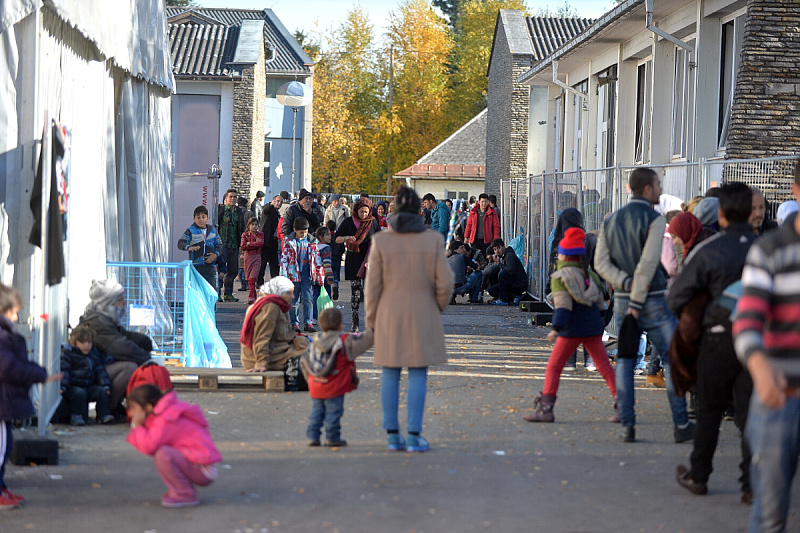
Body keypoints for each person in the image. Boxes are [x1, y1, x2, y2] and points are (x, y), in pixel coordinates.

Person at [667, 182, 755, 504]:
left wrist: (697, 316)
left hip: (716, 339)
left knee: (708, 411)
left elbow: (677, 297)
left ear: (720, 213)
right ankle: (751, 483)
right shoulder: (765, 248)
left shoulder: (710, 249)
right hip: (757, 341)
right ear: (752, 211)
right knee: (750, 415)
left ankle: (699, 476)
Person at [595, 167, 692, 443]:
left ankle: (628, 422)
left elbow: (601, 263)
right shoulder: (655, 220)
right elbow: (648, 264)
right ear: (647, 189)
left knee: (625, 360)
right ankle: (681, 423)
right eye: (658, 184)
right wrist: (637, 293)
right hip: (651, 300)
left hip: (625, 303)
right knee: (672, 358)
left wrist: (623, 284)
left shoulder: (611, 220)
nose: (661, 189)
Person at [733, 167, 800, 531]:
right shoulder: (771, 249)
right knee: (771, 513)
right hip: (781, 399)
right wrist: (759, 366)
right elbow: (746, 320)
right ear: (796, 192)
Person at [365, 186, 454, 453]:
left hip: (389, 312)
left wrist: (372, 319)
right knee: (418, 371)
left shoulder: (381, 240)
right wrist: (436, 306)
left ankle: (393, 434)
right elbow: (446, 281)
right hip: (422, 311)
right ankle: (414, 434)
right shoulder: (432, 240)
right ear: (419, 209)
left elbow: (373, 286)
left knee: (390, 371)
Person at [524, 227, 618, 423]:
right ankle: (623, 406)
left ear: (563, 256)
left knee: (554, 367)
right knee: (605, 368)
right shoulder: (590, 276)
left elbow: (563, 307)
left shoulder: (560, 278)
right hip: (593, 329)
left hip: (571, 331)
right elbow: (602, 303)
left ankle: (546, 409)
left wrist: (555, 329)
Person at [0, 284, 62, 509]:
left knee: (4, 448)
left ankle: (2, 487)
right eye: (13, 312)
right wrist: (38, 374)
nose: (16, 317)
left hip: (5, 402)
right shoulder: (3, 337)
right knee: (1, 449)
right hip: (3, 401)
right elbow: (8, 367)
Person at [126, 384, 221, 508]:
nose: (131, 413)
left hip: (204, 469)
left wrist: (137, 427)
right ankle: (181, 490)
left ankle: (185, 494)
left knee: (163, 454)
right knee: (162, 453)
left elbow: (149, 446)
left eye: (133, 408)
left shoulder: (165, 419)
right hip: (200, 464)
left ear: (148, 407)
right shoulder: (163, 414)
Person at [77, 280, 152, 414]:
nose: (124, 303)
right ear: (108, 304)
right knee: (130, 367)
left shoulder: (103, 317)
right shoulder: (98, 322)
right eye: (120, 300)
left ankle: (115, 405)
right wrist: (148, 360)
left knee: (137, 356)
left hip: (96, 366)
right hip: (86, 372)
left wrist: (144, 342)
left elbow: (123, 337)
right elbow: (122, 347)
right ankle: (109, 408)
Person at [303, 308, 374, 447]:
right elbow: (364, 342)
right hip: (336, 386)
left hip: (316, 385)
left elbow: (304, 363)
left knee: (316, 412)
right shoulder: (343, 342)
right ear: (341, 325)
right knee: (334, 412)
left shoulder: (314, 343)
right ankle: (332, 437)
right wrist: (374, 328)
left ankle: (313, 436)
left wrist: (309, 381)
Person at [239, 276, 309, 372]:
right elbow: (261, 336)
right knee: (315, 355)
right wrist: (261, 363)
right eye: (289, 293)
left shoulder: (277, 304)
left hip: (275, 351)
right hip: (263, 358)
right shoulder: (269, 307)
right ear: (279, 293)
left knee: (309, 345)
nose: (293, 296)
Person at [335, 197, 381, 332]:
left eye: (366, 212)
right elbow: (336, 239)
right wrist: (347, 238)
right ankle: (355, 323)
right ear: (356, 210)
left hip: (369, 261)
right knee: (355, 293)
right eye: (361, 212)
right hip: (354, 260)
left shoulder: (373, 223)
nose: (364, 215)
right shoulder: (348, 222)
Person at [60, 325, 114, 426]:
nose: (86, 345)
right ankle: (76, 415)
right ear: (74, 342)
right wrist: (63, 386)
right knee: (79, 393)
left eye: (89, 342)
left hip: (88, 386)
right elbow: (65, 371)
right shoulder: (69, 353)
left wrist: (105, 385)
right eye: (82, 342)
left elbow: (100, 371)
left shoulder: (93, 354)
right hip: (73, 386)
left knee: (101, 392)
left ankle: (104, 415)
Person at [281, 218, 325, 333]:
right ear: (295, 230)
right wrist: (284, 276)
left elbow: (317, 259)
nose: (303, 234)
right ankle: (294, 323)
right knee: (294, 301)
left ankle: (308, 322)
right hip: (293, 276)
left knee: (308, 299)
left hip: (307, 275)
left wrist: (320, 275)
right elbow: (284, 260)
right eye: (301, 232)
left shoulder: (312, 242)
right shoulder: (289, 242)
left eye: (305, 232)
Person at [177, 205, 219, 290]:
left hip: (210, 267)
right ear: (194, 219)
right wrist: (188, 247)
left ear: (207, 218)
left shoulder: (213, 230)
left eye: (203, 217)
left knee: (211, 291)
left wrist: (215, 255)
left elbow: (220, 246)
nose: (201, 220)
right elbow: (180, 243)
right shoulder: (191, 230)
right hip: (196, 267)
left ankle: (210, 304)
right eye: (198, 217)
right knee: (197, 291)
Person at [216, 189, 247, 302]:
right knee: (220, 270)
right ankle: (217, 292)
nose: (233, 199)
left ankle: (228, 293)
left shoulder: (239, 211)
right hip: (222, 245)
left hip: (234, 245)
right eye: (231, 197)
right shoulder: (222, 210)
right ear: (226, 199)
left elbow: (242, 228)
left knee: (233, 270)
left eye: (234, 197)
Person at [487, 238, 527, 306]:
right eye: (495, 249)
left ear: (503, 246)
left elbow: (511, 270)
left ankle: (504, 299)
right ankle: (512, 297)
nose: (497, 251)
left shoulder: (509, 255)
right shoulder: (502, 256)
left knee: (502, 274)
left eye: (499, 248)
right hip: (513, 282)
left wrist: (499, 264)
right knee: (492, 290)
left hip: (519, 284)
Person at [257, 195, 282, 286]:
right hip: (266, 240)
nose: (279, 203)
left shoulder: (277, 212)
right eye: (277, 201)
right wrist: (271, 204)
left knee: (274, 263)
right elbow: (266, 209)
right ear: (273, 201)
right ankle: (259, 282)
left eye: (281, 202)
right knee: (263, 262)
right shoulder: (269, 209)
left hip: (274, 240)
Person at [313, 226, 335, 323]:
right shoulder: (326, 248)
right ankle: (327, 317)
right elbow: (326, 263)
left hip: (315, 276)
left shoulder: (314, 247)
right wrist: (329, 276)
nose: (329, 236)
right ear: (321, 237)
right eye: (327, 235)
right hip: (324, 277)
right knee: (327, 296)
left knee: (315, 297)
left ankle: (314, 317)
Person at [240, 218, 264, 305]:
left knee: (253, 278)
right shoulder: (245, 235)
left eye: (256, 225)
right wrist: (254, 245)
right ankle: (254, 297)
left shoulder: (260, 235)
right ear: (249, 225)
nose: (254, 226)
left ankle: (251, 296)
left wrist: (250, 244)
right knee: (249, 279)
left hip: (257, 257)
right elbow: (243, 246)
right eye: (252, 224)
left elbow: (260, 244)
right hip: (248, 258)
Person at [327, 220, 344, 300]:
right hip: (337, 258)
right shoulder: (338, 237)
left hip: (327, 258)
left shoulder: (326, 238)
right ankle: (335, 284)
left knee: (328, 274)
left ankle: (329, 289)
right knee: (336, 273)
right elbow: (342, 248)